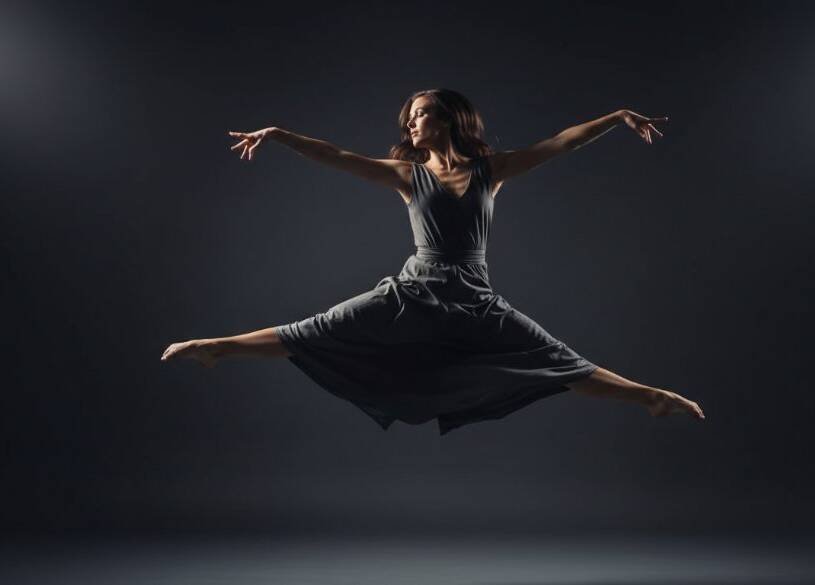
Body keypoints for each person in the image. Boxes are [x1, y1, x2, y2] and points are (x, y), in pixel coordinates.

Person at [161, 88, 705, 435]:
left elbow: (561, 143)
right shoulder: (408, 176)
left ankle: (651, 398)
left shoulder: (492, 170)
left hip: (474, 299)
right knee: (318, 329)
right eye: (410, 118)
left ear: (447, 120)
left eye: (420, 115)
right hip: (413, 293)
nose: (411, 125)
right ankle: (214, 348)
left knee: (554, 360)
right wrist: (279, 135)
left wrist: (616, 116)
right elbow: (339, 156)